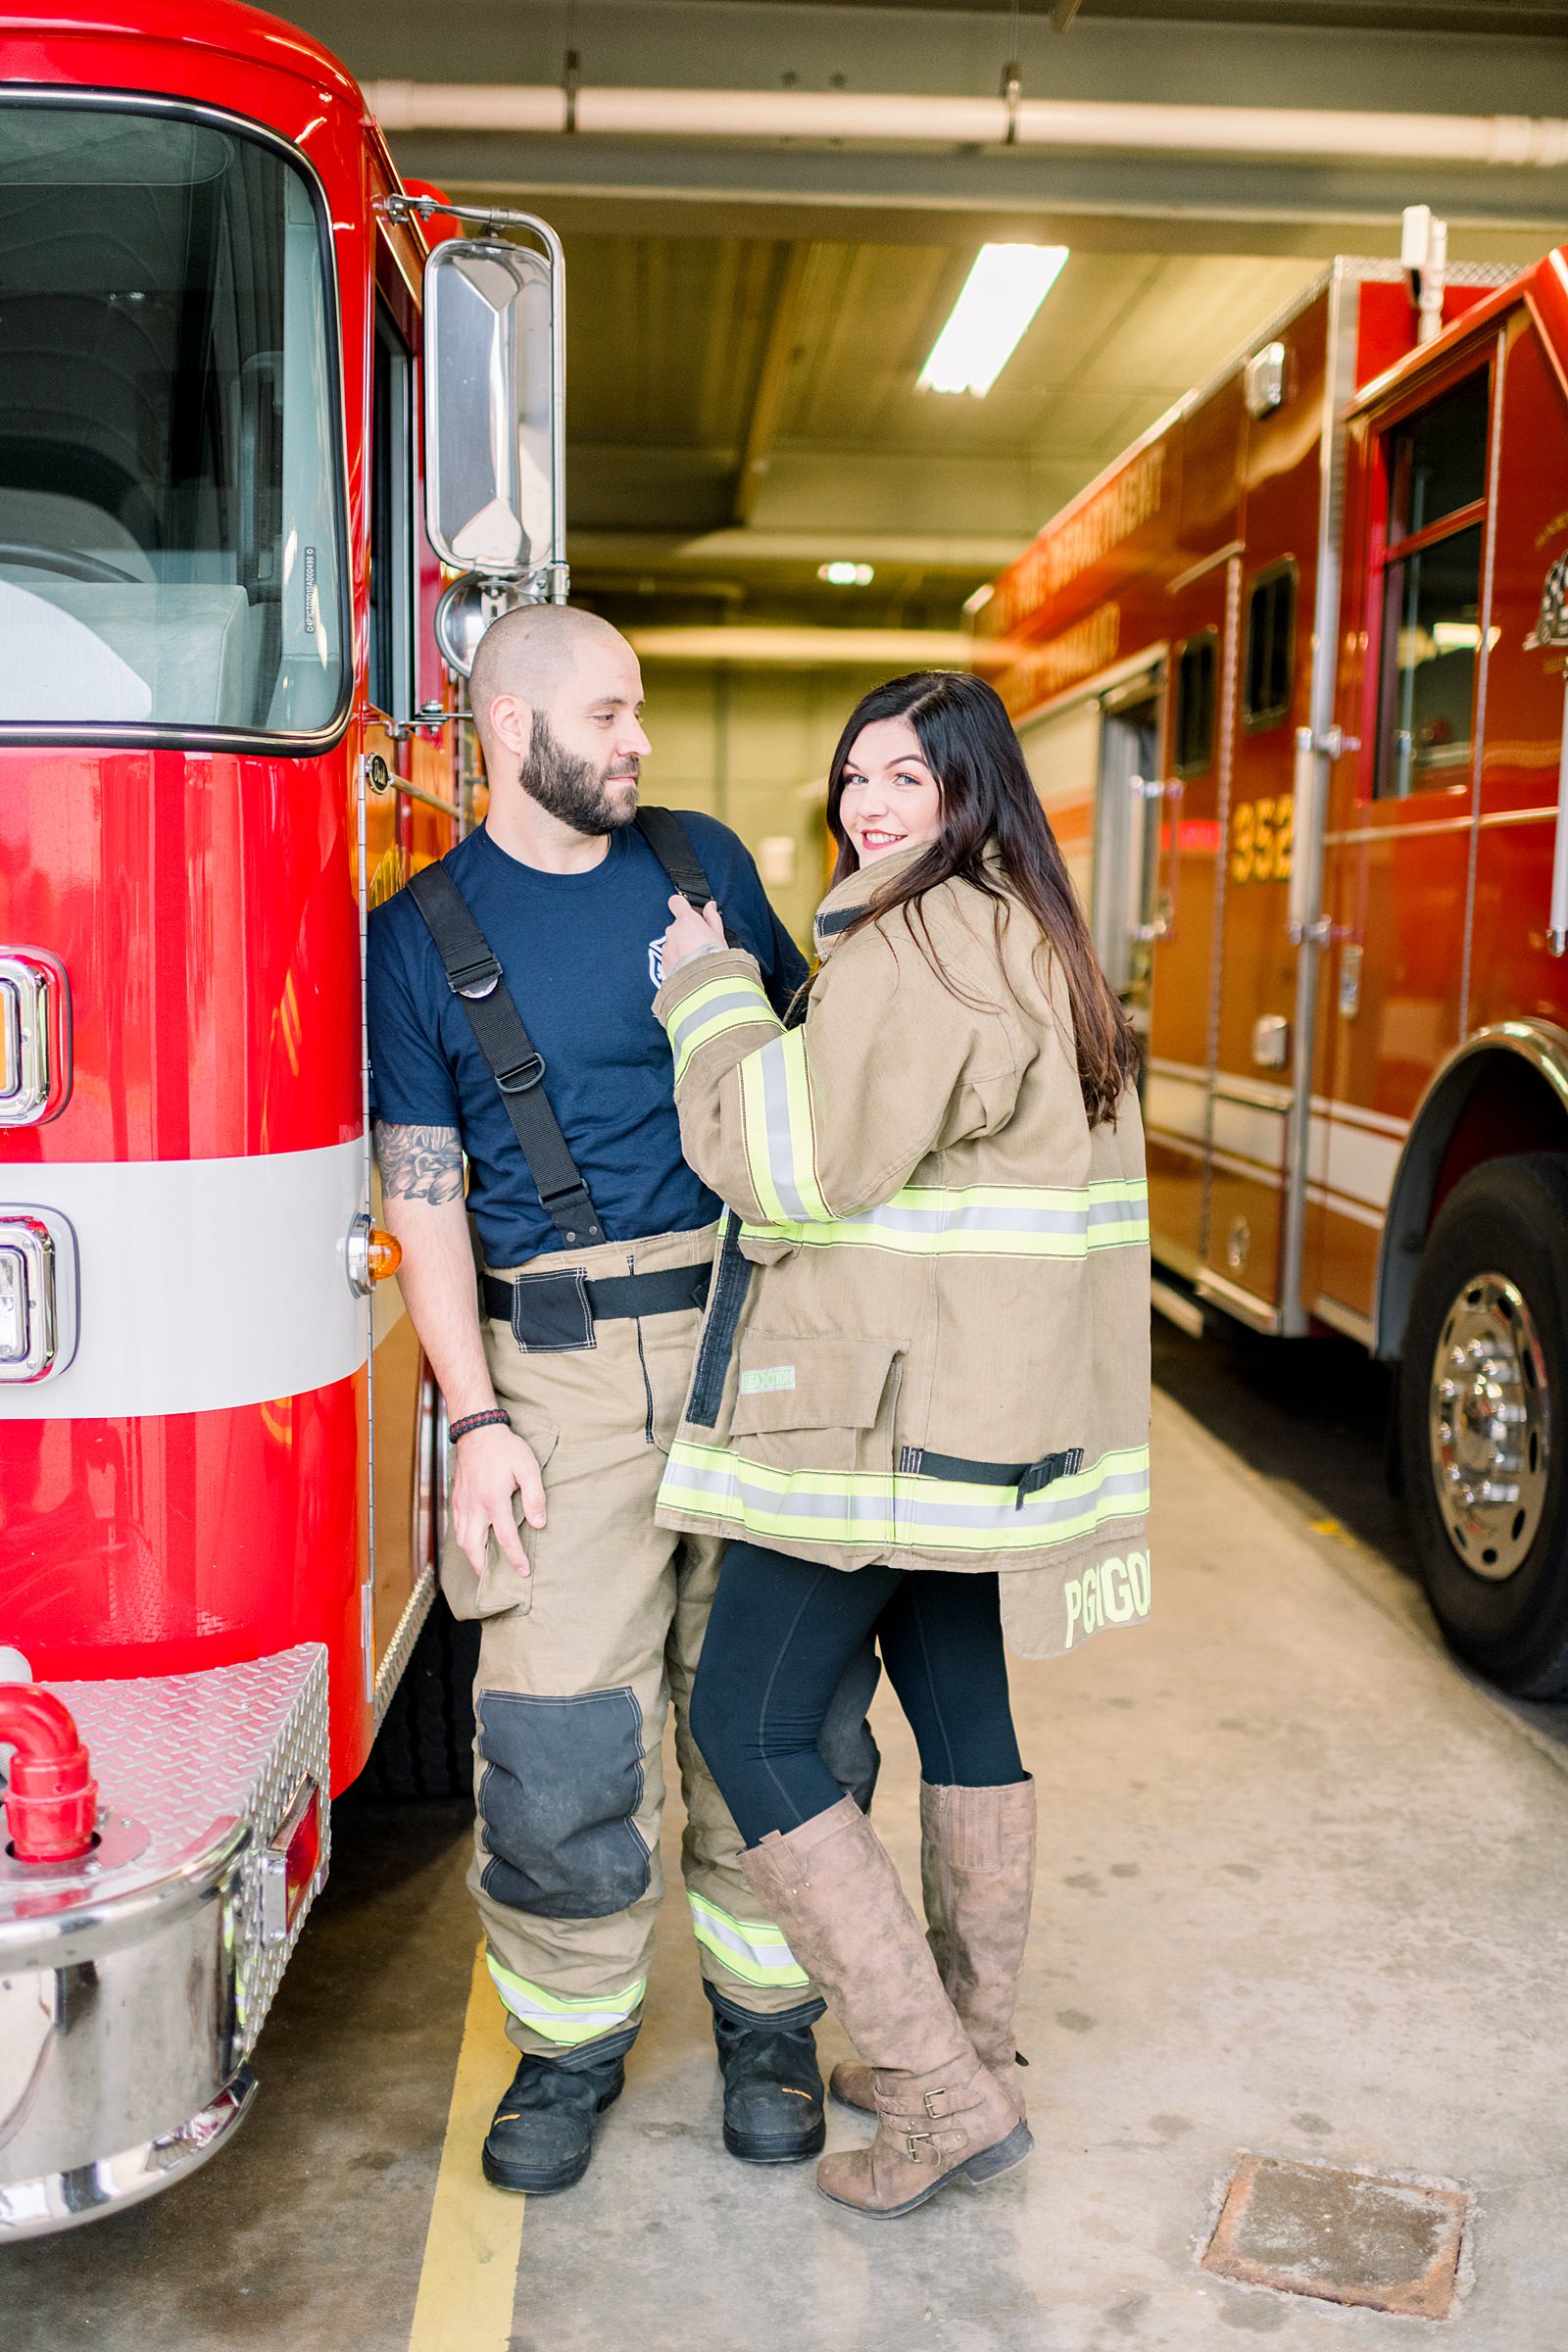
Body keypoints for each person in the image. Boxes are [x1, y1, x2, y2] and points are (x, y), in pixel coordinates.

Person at [368, 604, 875, 2195]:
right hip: (557, 1383)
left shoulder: (704, 862)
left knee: (772, 1717)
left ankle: (769, 2019)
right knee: (562, 1738)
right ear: (513, 732)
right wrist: (472, 1416)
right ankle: (570, 2043)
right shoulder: (419, 934)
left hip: (752, 1346)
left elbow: (812, 1069)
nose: (639, 742)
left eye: (639, 711)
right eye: (609, 716)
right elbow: (425, 1196)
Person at [650, 668, 1152, 2219]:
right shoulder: (1031, 929)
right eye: (854, 775)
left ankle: (935, 2097)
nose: (867, 804)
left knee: (747, 1724)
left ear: (967, 795)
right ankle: (977, 2050)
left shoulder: (921, 938)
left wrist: (708, 991)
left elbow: (783, 1162)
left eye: (904, 780)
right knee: (961, 1703)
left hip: (877, 1419)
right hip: (979, 1417)